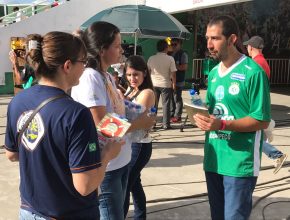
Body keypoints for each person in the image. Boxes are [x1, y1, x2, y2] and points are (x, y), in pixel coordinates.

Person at [4, 31, 123, 219]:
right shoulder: (76, 113)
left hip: (29, 210)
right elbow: (84, 185)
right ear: (67, 66)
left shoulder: (18, 101)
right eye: (82, 62)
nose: (84, 68)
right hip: (68, 212)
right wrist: (108, 154)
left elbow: (11, 154)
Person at [71, 21, 155, 220]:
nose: (121, 50)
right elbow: (102, 125)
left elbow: (117, 109)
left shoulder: (106, 76)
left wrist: (137, 111)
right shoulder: (90, 78)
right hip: (106, 166)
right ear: (102, 50)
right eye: (117, 46)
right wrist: (139, 124)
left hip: (121, 160)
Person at [193, 15, 271, 220]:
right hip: (214, 160)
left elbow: (261, 120)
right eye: (207, 38)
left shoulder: (253, 72)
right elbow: (213, 110)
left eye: (215, 38)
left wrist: (223, 124)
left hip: (239, 164)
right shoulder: (214, 74)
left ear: (232, 39)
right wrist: (201, 116)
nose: (209, 44)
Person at [243, 35, 287, 174]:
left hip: (254, 106)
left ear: (250, 47)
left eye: (247, 47)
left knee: (252, 136)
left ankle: (276, 154)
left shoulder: (255, 64)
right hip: (259, 105)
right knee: (255, 137)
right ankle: (273, 152)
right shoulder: (262, 62)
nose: (246, 50)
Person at [123, 55, 155, 220]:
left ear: (144, 73)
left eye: (135, 74)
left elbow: (134, 117)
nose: (132, 78)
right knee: (135, 184)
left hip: (139, 144)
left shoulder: (147, 92)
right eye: (128, 75)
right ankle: (140, 216)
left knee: (126, 184)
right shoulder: (131, 89)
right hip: (130, 142)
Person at [147, 39, 177, 129]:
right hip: (165, 84)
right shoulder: (170, 58)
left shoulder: (151, 58)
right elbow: (173, 73)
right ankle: (166, 124)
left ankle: (152, 124)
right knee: (166, 105)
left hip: (153, 84)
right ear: (165, 48)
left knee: (153, 105)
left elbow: (148, 71)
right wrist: (174, 83)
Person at [170, 38, 188, 123]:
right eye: (171, 44)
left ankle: (178, 116)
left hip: (179, 80)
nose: (173, 46)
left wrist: (173, 66)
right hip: (170, 80)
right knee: (172, 98)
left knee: (177, 98)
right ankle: (172, 114)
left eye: (175, 44)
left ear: (180, 44)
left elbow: (184, 67)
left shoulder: (183, 54)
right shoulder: (170, 53)